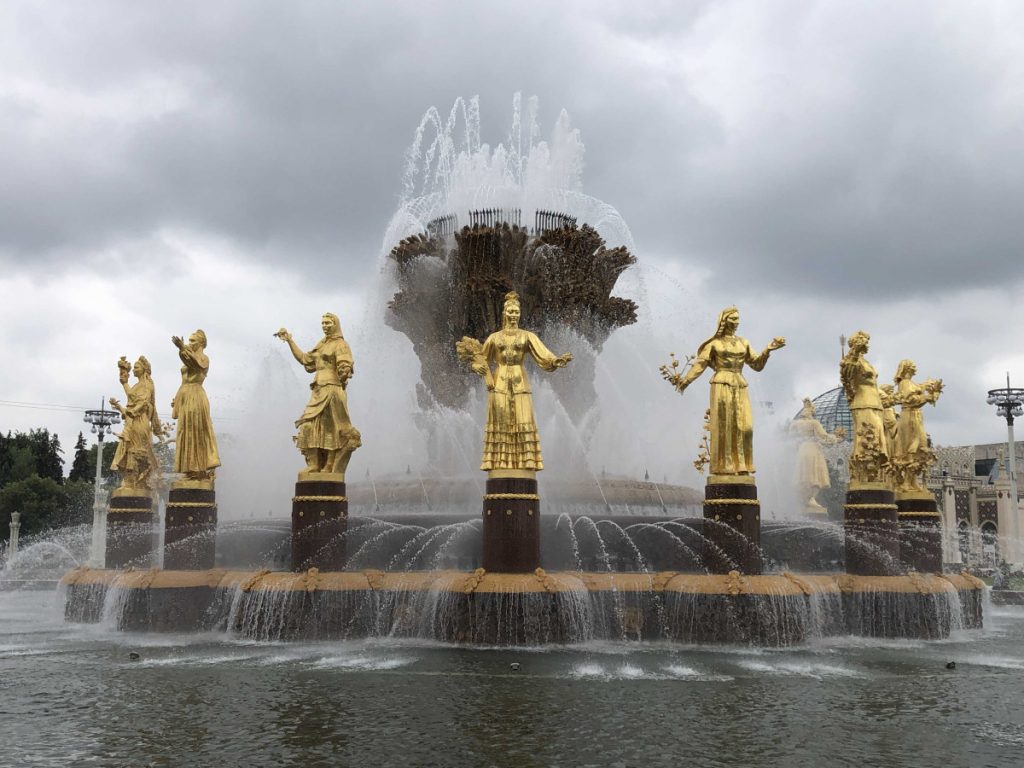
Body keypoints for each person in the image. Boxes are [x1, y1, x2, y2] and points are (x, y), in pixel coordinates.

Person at [457, 291, 571, 471]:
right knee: (501, 421)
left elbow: (543, 354)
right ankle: (500, 463)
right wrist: (475, 367)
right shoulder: (494, 337)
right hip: (499, 382)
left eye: (516, 312)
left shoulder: (527, 336)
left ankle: (527, 462)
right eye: (510, 312)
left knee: (523, 418)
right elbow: (482, 360)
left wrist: (555, 361)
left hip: (520, 381)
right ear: (504, 314)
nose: (513, 316)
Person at [663, 307, 785, 476]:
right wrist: (685, 381)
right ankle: (724, 465)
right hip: (721, 383)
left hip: (740, 384)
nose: (736, 322)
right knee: (725, 425)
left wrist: (768, 350)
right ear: (724, 321)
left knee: (746, 427)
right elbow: (700, 364)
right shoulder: (715, 344)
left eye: (738, 319)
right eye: (733, 319)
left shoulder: (744, 343)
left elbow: (756, 365)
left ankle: (743, 464)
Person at [275, 313, 361, 476]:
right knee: (308, 425)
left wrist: (344, 372)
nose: (325, 326)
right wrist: (290, 341)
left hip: (333, 389)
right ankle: (314, 464)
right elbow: (305, 359)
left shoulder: (341, 344)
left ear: (335, 324)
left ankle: (329, 465)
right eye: (323, 323)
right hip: (318, 389)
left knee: (332, 427)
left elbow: (345, 363)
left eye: (328, 323)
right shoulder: (321, 345)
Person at [170, 329, 220, 482]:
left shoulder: (204, 359)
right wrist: (177, 401)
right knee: (185, 432)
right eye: (189, 340)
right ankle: (188, 469)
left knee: (196, 431)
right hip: (186, 396)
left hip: (196, 395)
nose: (190, 343)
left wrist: (182, 348)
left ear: (201, 343)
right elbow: (183, 382)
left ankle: (198, 470)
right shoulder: (187, 355)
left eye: (193, 341)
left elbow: (195, 364)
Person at [840, 331, 888, 484]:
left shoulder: (866, 362)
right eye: (864, 341)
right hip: (863, 403)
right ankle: (863, 476)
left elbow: (874, 385)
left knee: (877, 440)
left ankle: (873, 474)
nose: (867, 344)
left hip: (875, 404)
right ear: (856, 343)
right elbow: (847, 374)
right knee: (867, 439)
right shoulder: (853, 361)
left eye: (867, 341)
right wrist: (853, 353)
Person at [109, 356, 163, 491]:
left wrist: (134, 411)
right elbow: (132, 398)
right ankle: (131, 482)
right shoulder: (137, 385)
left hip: (140, 421)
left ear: (144, 369)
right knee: (129, 450)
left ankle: (138, 482)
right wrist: (124, 383)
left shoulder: (147, 384)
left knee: (136, 450)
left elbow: (143, 402)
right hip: (132, 421)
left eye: (137, 367)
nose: (134, 369)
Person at [892, 359, 942, 492]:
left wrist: (931, 392)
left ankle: (912, 481)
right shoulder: (904, 383)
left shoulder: (912, 383)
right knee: (911, 448)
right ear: (907, 368)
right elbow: (910, 400)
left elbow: (918, 393)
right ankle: (906, 483)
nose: (915, 367)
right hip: (909, 417)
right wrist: (927, 396)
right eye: (912, 365)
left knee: (920, 447)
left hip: (916, 416)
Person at [790, 398, 842, 512]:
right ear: (812, 412)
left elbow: (790, 437)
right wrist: (836, 439)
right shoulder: (814, 423)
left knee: (804, 475)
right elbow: (823, 436)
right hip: (813, 450)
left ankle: (805, 500)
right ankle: (811, 498)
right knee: (815, 476)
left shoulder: (796, 424)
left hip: (803, 450)